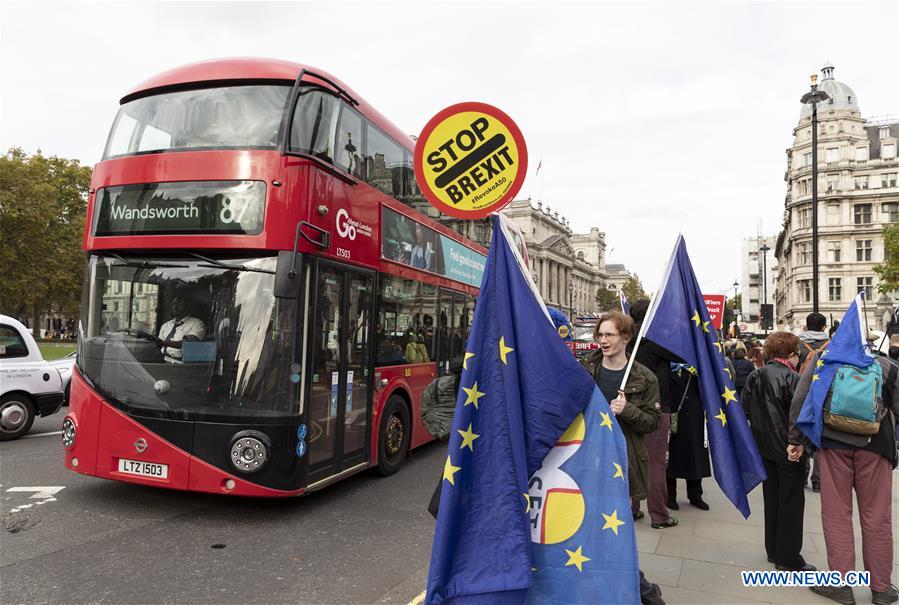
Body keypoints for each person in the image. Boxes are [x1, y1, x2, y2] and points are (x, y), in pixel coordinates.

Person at [788, 340, 899, 605]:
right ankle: (882, 588)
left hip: (833, 444)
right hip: (875, 445)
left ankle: (841, 585)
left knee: (837, 516)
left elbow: (801, 399)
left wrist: (796, 439)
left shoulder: (823, 360)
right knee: (877, 518)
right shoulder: (886, 365)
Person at [581, 310, 664, 605]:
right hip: (585, 460)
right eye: (600, 335)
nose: (603, 341)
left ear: (626, 337)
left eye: (609, 335)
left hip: (622, 462)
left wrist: (626, 410)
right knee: (587, 527)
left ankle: (642, 590)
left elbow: (652, 423)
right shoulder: (585, 368)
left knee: (615, 531)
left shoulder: (644, 377)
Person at [741, 332, 815, 572]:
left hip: (764, 448)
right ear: (791, 355)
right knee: (791, 502)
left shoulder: (756, 375)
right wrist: (800, 443)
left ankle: (773, 550)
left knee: (772, 499)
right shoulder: (794, 379)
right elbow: (801, 416)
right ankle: (789, 557)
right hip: (789, 447)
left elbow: (746, 408)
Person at [627, 300, 678, 529]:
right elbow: (683, 355)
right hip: (656, 408)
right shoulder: (656, 339)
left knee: (631, 461)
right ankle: (659, 515)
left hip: (627, 408)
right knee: (656, 463)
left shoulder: (625, 338)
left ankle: (632, 508)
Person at [666, 361, 712, 511]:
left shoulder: (696, 368)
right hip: (672, 418)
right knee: (670, 458)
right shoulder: (665, 366)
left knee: (694, 457)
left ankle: (695, 495)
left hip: (693, 418)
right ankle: (669, 497)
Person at [158, 295, 206, 363]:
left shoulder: (198, 324)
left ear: (188, 307)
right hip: (163, 360)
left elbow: (188, 344)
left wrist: (163, 343)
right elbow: (158, 346)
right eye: (174, 304)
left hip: (182, 363)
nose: (175, 307)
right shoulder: (165, 325)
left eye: (180, 304)